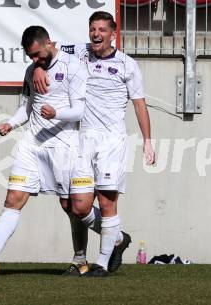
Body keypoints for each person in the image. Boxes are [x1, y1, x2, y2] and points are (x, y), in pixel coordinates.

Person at [33, 11, 156, 277]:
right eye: (93, 29)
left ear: (113, 33)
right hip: (81, 139)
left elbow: (139, 104)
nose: (96, 34)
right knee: (77, 206)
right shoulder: (78, 51)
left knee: (107, 201)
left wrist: (148, 141)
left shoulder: (127, 64)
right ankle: (118, 239)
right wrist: (40, 66)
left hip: (111, 140)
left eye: (102, 29)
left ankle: (100, 262)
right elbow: (45, 49)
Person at [0, 25, 88, 276]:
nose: (35, 60)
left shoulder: (73, 67)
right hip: (32, 144)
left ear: (48, 43)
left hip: (64, 144)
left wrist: (57, 113)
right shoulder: (32, 70)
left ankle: (86, 255)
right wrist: (10, 123)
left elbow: (80, 110)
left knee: (71, 206)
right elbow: (28, 107)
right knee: (13, 199)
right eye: (30, 57)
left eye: (37, 55)